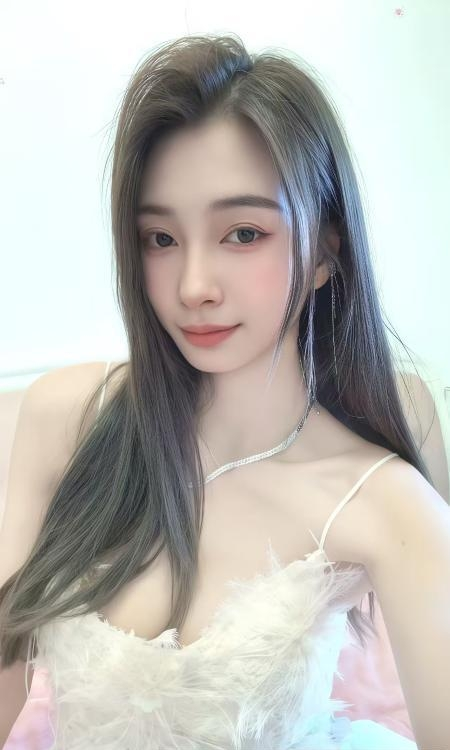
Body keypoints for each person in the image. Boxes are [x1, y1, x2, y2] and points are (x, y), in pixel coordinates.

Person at [1, 32, 449, 750]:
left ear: (325, 251)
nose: (193, 287)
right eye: (160, 239)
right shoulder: (67, 420)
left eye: (242, 233)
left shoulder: (384, 502)